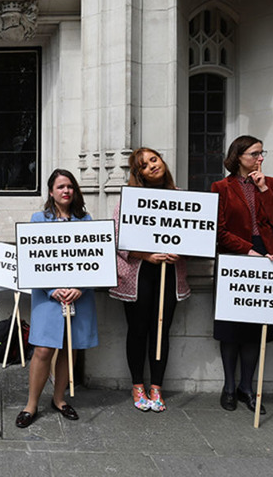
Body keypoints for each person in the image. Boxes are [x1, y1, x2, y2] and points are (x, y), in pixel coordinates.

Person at [15, 169, 98, 428]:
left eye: (70, 186)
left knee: (69, 348)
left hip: (79, 296)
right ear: (51, 192)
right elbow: (32, 260)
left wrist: (81, 288)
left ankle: (59, 399)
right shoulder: (38, 220)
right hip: (47, 296)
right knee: (43, 349)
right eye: (61, 187)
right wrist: (52, 289)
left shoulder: (86, 220)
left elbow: (95, 259)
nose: (66, 191)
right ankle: (31, 405)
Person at [109, 148, 190, 412]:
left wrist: (182, 251)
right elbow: (116, 238)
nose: (152, 166)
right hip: (138, 274)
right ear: (139, 174)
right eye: (144, 165)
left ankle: (157, 387)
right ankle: (137, 385)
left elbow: (195, 234)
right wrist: (146, 255)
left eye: (154, 160)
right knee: (138, 330)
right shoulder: (129, 200)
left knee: (161, 331)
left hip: (169, 274)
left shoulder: (181, 198)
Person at [211, 136, 273, 414]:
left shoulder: (271, 183)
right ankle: (229, 387)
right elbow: (219, 230)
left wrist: (263, 188)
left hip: (267, 256)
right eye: (254, 153)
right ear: (238, 156)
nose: (260, 158)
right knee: (231, 327)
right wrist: (247, 250)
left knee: (257, 328)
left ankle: (247, 388)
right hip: (235, 256)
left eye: (262, 153)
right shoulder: (221, 187)